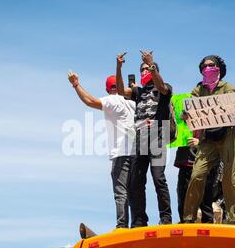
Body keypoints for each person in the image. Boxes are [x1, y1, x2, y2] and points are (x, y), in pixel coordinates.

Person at [68, 71, 136, 229]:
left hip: (121, 153)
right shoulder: (134, 102)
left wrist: (76, 84)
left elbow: (90, 101)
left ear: (107, 90)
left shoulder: (113, 100)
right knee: (135, 191)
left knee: (121, 192)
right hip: (138, 153)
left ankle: (122, 226)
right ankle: (138, 223)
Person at [183, 55, 235, 224]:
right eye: (204, 66)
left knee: (230, 178)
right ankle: (188, 216)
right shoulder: (198, 90)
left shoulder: (228, 88)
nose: (207, 68)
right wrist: (186, 114)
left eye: (211, 65)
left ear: (219, 68)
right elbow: (191, 109)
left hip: (228, 137)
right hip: (208, 139)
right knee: (197, 174)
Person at [116, 51, 173, 227]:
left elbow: (162, 87)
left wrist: (152, 64)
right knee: (136, 182)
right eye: (142, 69)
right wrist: (118, 67)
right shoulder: (138, 91)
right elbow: (119, 90)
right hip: (140, 138)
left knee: (158, 178)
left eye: (146, 69)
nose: (143, 71)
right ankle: (139, 220)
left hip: (157, 137)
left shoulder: (164, 88)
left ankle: (165, 219)